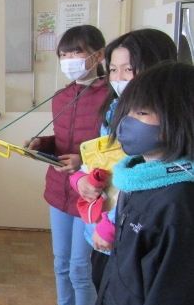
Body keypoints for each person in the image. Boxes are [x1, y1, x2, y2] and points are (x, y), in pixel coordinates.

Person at [91, 62, 194, 305]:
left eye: (142, 112)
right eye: (127, 110)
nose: (125, 122)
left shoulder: (178, 204)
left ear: (179, 118)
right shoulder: (138, 177)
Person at [26, 25, 109, 305]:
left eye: (76, 52)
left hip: (90, 196)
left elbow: (115, 150)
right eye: (63, 54)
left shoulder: (112, 98)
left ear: (98, 55)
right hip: (59, 191)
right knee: (61, 263)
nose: (69, 59)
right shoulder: (62, 96)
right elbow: (63, 141)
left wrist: (83, 163)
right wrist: (41, 144)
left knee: (79, 268)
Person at [69, 29, 178, 289]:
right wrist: (81, 179)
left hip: (132, 234)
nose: (119, 79)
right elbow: (102, 160)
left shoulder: (162, 123)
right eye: (113, 70)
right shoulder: (114, 109)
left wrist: (109, 225)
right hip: (102, 232)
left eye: (128, 70)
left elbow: (145, 179)